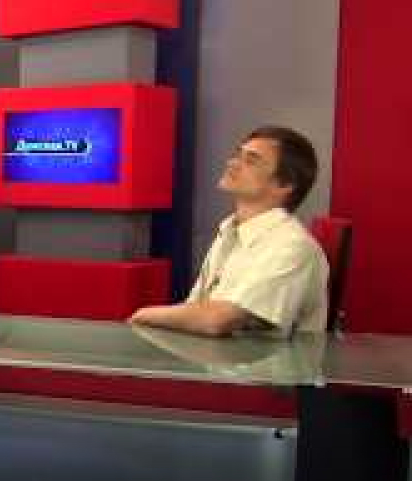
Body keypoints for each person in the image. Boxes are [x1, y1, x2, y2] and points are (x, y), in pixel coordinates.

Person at [129, 125, 328, 337]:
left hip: (262, 360)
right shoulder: (230, 230)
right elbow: (195, 308)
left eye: (251, 160)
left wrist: (142, 315)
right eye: (238, 155)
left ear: (285, 184)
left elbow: (217, 320)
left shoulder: (292, 246)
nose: (232, 163)